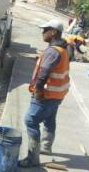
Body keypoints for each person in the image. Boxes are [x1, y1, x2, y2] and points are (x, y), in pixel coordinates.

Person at [19, 19, 70, 168]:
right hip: (58, 94)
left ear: (53, 32)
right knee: (49, 119)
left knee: (30, 120)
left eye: (45, 30)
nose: (42, 33)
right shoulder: (62, 49)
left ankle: (32, 158)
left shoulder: (53, 51)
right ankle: (46, 147)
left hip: (46, 94)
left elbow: (44, 73)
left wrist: (39, 91)